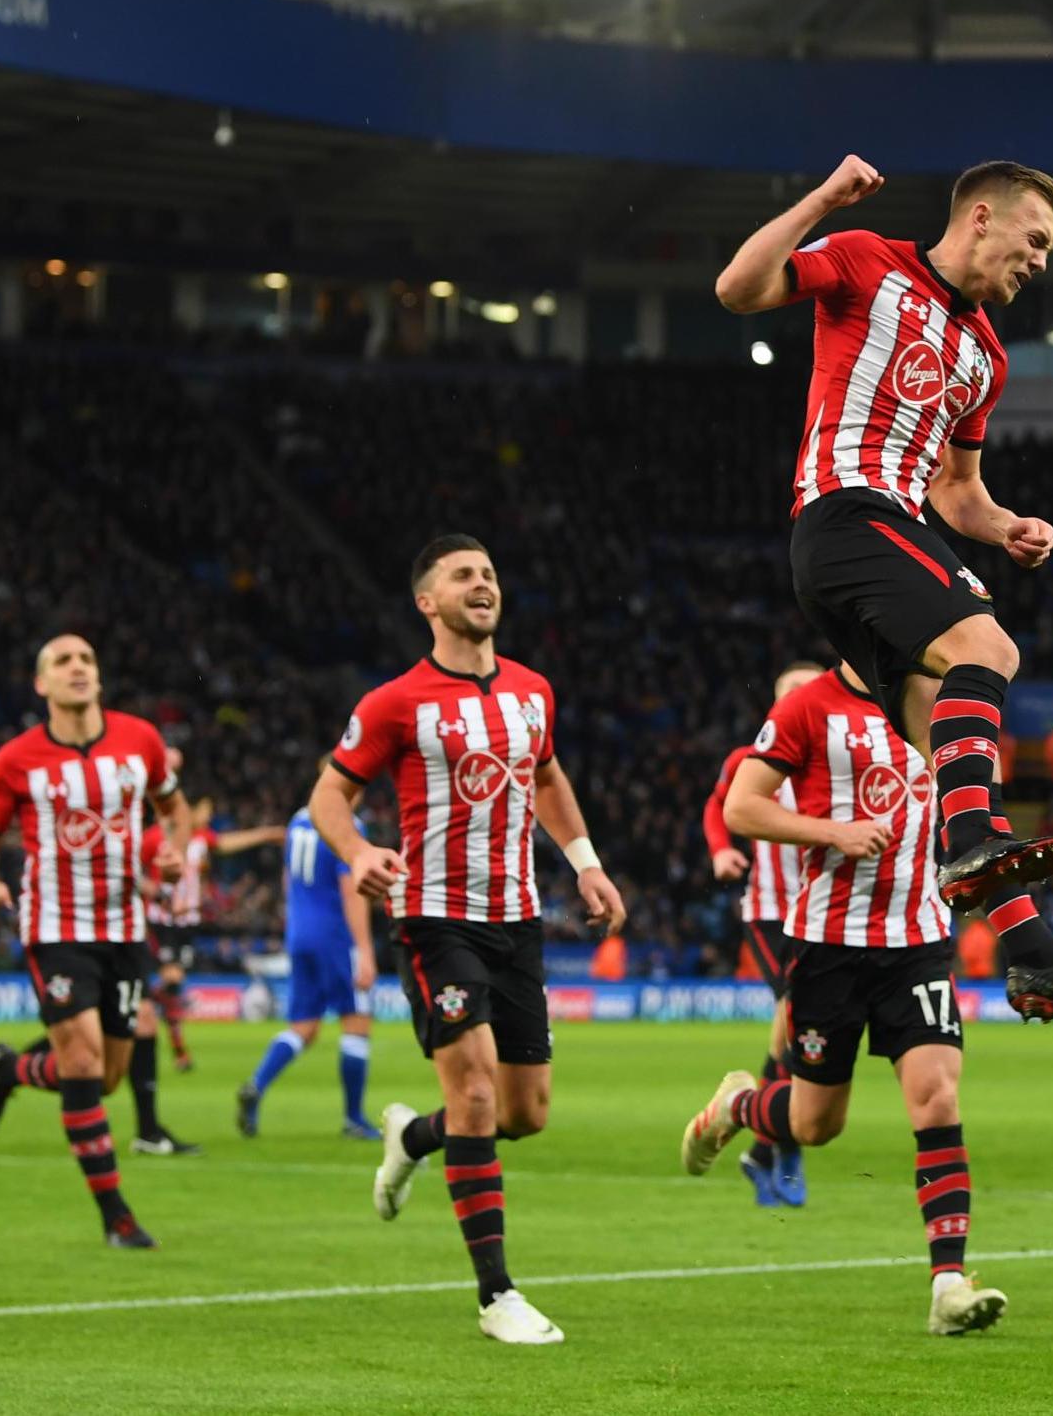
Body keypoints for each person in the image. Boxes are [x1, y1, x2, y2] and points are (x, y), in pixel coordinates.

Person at [715, 153, 1053, 1030]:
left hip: (892, 531)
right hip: (845, 515)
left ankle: (1037, 965)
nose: (1039, 262)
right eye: (1034, 240)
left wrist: (1006, 528)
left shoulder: (986, 356)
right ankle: (968, 851)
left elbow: (957, 492)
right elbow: (737, 289)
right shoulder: (864, 258)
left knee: (949, 756)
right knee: (989, 648)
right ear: (981, 218)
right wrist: (820, 199)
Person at [309, 534, 627, 1347]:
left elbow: (547, 777)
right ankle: (497, 1296)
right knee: (478, 1095)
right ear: (428, 603)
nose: (481, 583)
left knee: (523, 1114)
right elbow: (329, 795)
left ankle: (413, 1136)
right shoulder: (394, 702)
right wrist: (358, 853)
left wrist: (585, 864)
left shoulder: (531, 691)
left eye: (488, 573)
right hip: (433, 915)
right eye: (462, 575)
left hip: (516, 919)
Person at [680, 660, 1006, 1337]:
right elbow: (740, 805)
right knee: (813, 1126)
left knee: (937, 1095)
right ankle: (738, 1104)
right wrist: (836, 832)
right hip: (828, 945)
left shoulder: (940, 706)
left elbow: (979, 798)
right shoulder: (809, 706)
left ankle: (947, 1282)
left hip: (917, 941)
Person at [0, 633, 192, 1249]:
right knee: (83, 1061)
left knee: (106, 1076)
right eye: (62, 661)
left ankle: (9, 1070)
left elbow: (175, 809)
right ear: (42, 685)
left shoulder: (140, 740)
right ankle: (116, 1217)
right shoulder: (14, 761)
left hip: (124, 927)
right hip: (55, 926)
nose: (78, 668)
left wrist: (173, 853)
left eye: (87, 658)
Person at [701, 659, 826, 1208]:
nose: (799, 699)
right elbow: (717, 805)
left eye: (807, 690)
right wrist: (721, 849)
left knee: (803, 1026)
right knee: (799, 1012)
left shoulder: (839, 760)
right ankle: (778, 1140)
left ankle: (767, 1144)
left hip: (825, 912)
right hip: (772, 912)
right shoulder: (750, 761)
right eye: (788, 692)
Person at [237, 774, 381, 1140]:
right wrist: (364, 950)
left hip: (300, 932)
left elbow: (289, 880)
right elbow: (352, 892)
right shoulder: (345, 825)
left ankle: (257, 1084)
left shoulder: (300, 819)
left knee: (304, 1026)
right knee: (356, 1020)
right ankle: (352, 1118)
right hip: (335, 936)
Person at [141, 796, 284, 1075]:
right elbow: (133, 871)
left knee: (173, 988)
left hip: (187, 923)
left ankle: (155, 1012)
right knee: (173, 980)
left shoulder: (201, 839)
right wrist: (156, 895)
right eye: (204, 811)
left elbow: (228, 842)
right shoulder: (155, 837)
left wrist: (266, 834)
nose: (207, 817)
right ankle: (175, 1042)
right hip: (161, 920)